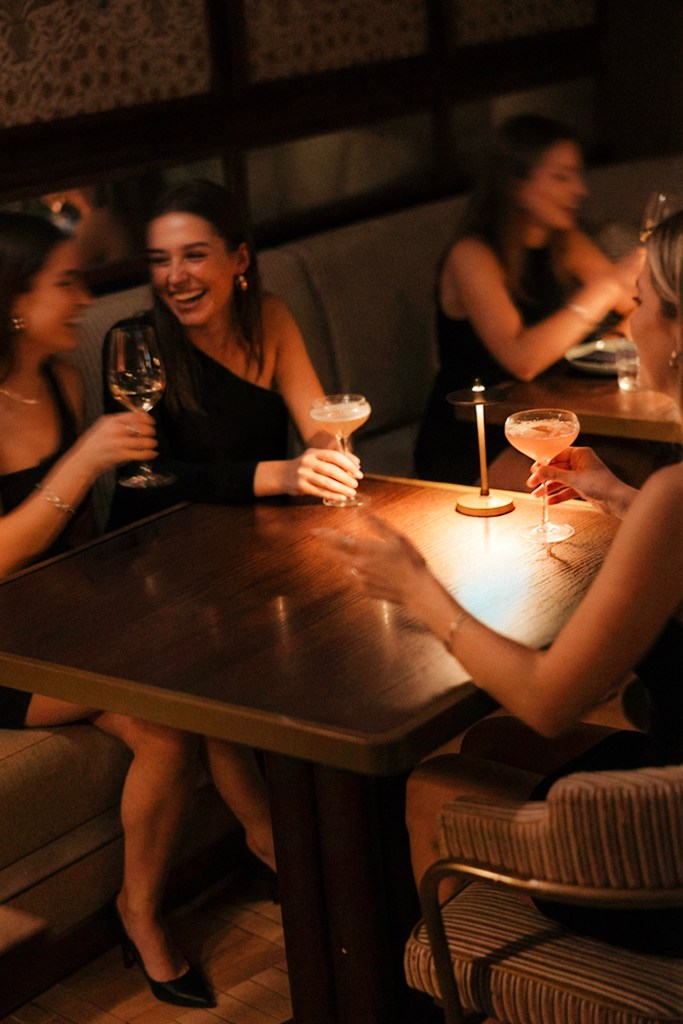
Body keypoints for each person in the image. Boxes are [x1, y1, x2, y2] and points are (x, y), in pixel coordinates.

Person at [317, 209, 683, 956]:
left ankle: (427, 992)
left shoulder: (674, 496)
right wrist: (615, 496)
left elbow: (548, 703)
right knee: (489, 738)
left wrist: (416, 586)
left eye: (641, 301)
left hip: (667, 857)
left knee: (431, 786)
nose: (629, 319)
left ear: (677, 330)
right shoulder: (664, 500)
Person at [0, 212, 274, 1009]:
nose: (84, 298)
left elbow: (77, 539)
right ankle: (268, 846)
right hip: (5, 649)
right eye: (65, 283)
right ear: (12, 303)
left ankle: (147, 906)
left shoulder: (57, 379)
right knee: (181, 682)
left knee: (176, 705)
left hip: (58, 621)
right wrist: (87, 456)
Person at [105, 177, 362, 529]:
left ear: (239, 259)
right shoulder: (131, 343)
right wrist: (282, 475)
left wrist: (331, 457)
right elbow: (146, 482)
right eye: (161, 261)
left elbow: (319, 426)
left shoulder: (270, 318)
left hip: (257, 530)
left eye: (194, 256)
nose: (174, 278)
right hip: (159, 539)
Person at [414, 113, 647, 487]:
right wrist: (605, 289)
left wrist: (616, 337)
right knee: (609, 487)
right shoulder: (471, 255)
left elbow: (638, 309)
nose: (579, 190)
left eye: (576, 175)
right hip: (475, 434)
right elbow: (522, 359)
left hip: (548, 417)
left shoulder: (565, 242)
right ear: (516, 184)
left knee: (651, 471)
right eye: (561, 177)